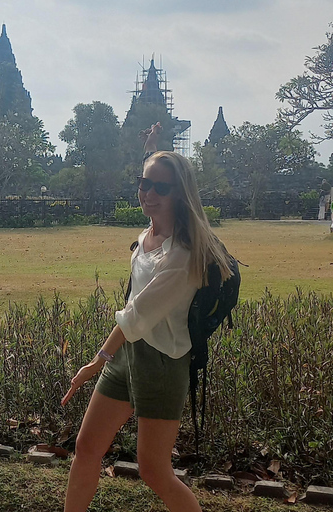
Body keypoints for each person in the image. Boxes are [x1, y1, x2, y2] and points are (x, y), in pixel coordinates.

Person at [60, 122, 232, 512]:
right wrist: (152, 148)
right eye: (143, 184)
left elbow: (136, 317)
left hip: (162, 363)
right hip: (128, 355)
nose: (148, 194)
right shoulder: (151, 230)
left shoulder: (183, 255)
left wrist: (95, 361)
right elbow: (157, 173)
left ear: (179, 195)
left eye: (160, 188)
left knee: (154, 470)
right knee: (87, 447)